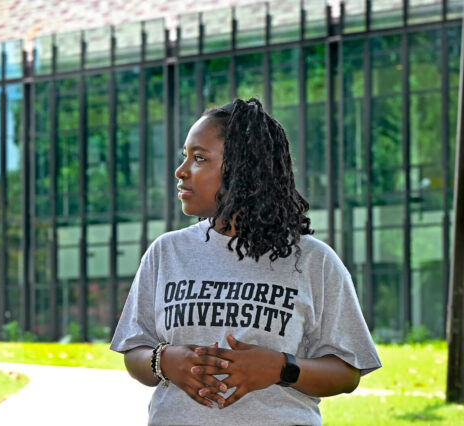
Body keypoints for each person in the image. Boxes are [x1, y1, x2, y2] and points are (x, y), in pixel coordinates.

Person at [110, 98, 380, 425]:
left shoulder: (312, 260)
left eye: (199, 158)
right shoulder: (167, 252)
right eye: (186, 157)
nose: (181, 172)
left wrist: (282, 367)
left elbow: (347, 372)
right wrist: (163, 361)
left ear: (243, 170)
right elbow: (134, 350)